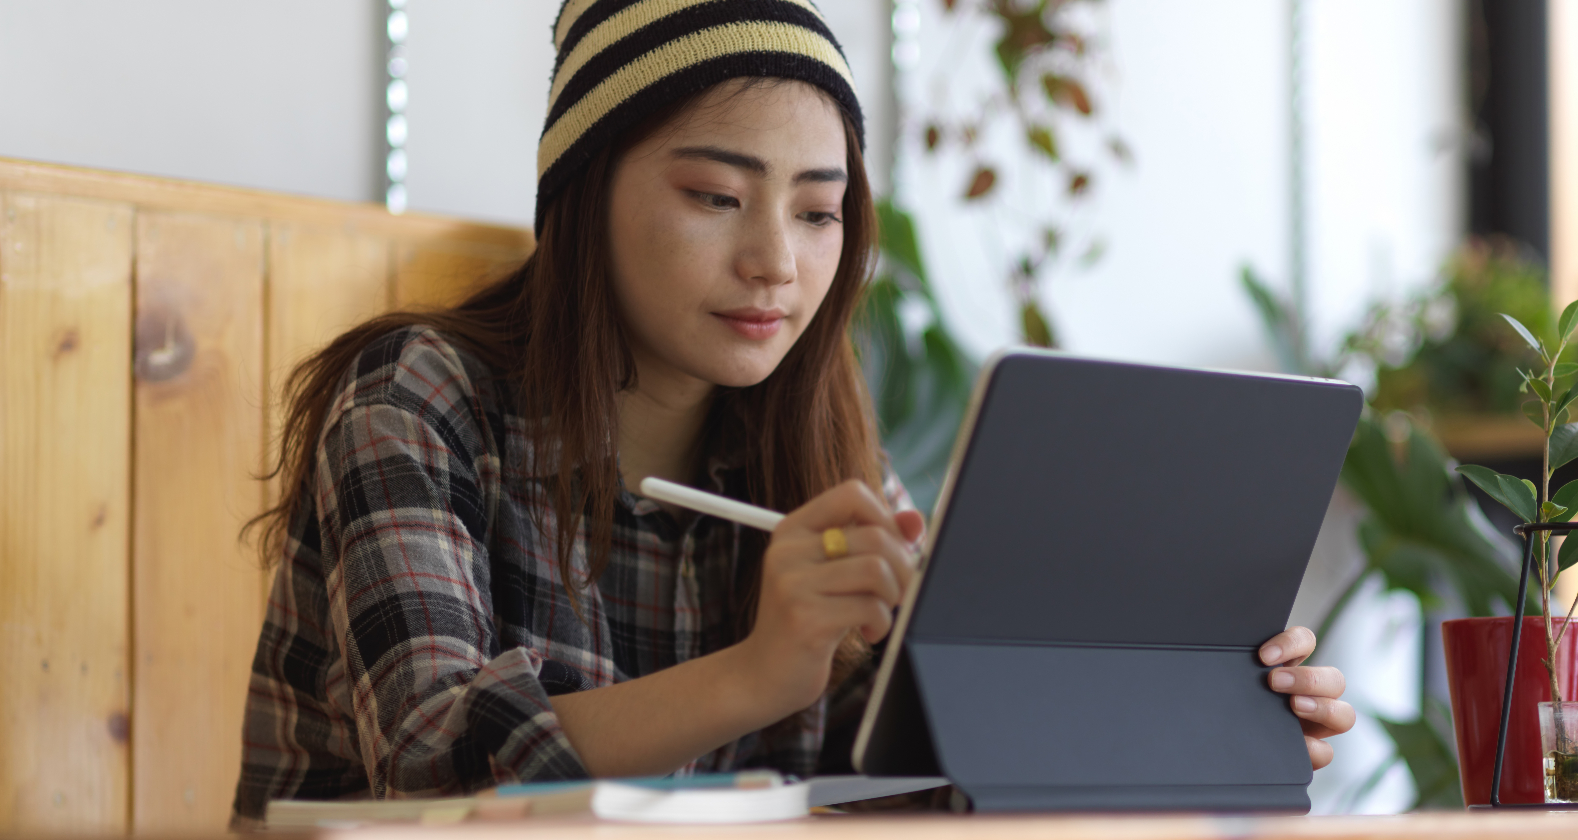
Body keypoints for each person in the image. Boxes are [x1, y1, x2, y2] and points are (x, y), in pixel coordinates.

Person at [231, 0, 1353, 825]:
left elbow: (934, 772)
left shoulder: (816, 438)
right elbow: (429, 765)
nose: (776, 261)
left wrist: (1208, 716)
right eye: (715, 197)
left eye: (819, 214)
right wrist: (760, 671)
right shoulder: (420, 398)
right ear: (583, 193)